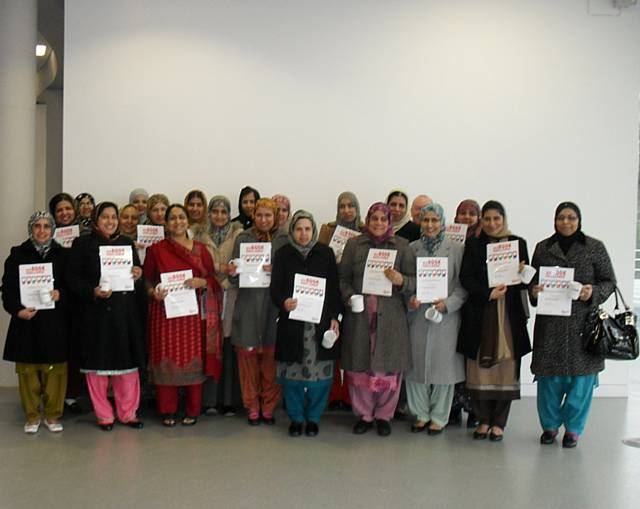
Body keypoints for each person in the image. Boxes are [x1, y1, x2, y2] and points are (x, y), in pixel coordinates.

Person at [530, 202, 616, 448]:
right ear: (554, 220)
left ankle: (574, 429)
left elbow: (610, 281)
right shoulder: (543, 248)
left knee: (582, 382)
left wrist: (594, 292)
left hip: (583, 325)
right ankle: (549, 426)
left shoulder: (594, 247)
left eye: (571, 217)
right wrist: (534, 291)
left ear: (579, 220)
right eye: (561, 218)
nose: (565, 222)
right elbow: (532, 282)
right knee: (549, 381)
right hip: (551, 325)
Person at [66, 202, 146, 431]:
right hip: (95, 316)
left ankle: (128, 413)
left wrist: (138, 273)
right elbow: (72, 278)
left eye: (114, 217)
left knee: (127, 368)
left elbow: (137, 273)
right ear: (95, 219)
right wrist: (92, 291)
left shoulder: (126, 244)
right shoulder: (82, 244)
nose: (110, 221)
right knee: (97, 368)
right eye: (105, 217)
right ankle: (103, 415)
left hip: (123, 315)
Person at [339, 202, 415, 436]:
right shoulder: (354, 245)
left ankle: (384, 415)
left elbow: (414, 282)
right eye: (374, 219)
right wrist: (350, 296)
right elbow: (342, 280)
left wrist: (401, 280)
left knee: (388, 367)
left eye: (383, 219)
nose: (379, 223)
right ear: (368, 220)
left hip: (391, 317)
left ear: (389, 221)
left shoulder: (402, 246)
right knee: (360, 366)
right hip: (360, 316)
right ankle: (364, 414)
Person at [457, 200, 531, 442]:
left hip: (508, 316)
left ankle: (499, 422)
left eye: (496, 219)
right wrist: (487, 293)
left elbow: (526, 282)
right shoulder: (473, 244)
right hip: (480, 312)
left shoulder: (517, 243)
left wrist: (521, 272)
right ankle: (483, 419)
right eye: (487, 219)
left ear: (504, 219)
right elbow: (466, 278)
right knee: (478, 369)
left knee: (506, 368)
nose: (492, 223)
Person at [144, 204, 223, 427]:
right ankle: (167, 410)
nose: (178, 222)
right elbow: (147, 280)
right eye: (172, 218)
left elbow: (213, 280)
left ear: (188, 222)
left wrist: (202, 282)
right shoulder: (156, 250)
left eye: (181, 217)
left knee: (192, 362)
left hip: (193, 316)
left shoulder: (200, 249)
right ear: (166, 224)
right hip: (165, 314)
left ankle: (192, 409)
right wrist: (153, 292)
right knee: (167, 360)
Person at [271, 210, 340, 437]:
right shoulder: (283, 254)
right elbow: (275, 289)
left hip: (318, 325)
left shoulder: (326, 253)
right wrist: (284, 301)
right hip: (292, 325)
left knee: (320, 376)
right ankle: (296, 418)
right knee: (293, 376)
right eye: (299, 229)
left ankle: (313, 418)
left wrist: (333, 317)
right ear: (292, 231)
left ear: (314, 230)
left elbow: (333, 289)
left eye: (307, 229)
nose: (303, 233)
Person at [2, 212, 69, 433]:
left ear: (53, 229)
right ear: (31, 229)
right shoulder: (17, 254)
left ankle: (52, 415)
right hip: (26, 322)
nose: (42, 231)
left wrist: (61, 294)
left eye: (46, 226)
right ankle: (32, 416)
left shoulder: (63, 255)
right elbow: (7, 290)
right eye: (37, 226)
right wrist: (17, 310)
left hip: (55, 322)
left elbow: (72, 287)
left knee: (55, 371)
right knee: (28, 371)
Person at [406, 203, 467, 434]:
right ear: (420, 222)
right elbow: (407, 283)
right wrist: (411, 299)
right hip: (418, 316)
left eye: (434, 220)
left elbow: (462, 288)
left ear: (442, 222)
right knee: (415, 366)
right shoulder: (412, 249)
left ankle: (439, 417)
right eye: (426, 220)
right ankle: (420, 413)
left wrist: (447, 304)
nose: (430, 225)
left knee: (444, 369)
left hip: (446, 318)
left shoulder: (457, 249)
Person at [229, 197, 287, 425]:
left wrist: (279, 270)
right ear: (253, 216)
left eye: (268, 215)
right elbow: (234, 279)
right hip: (248, 306)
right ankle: (251, 405)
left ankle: (269, 406)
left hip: (274, 308)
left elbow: (291, 276)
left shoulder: (284, 240)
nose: (263, 219)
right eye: (259, 215)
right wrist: (233, 272)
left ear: (276, 217)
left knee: (271, 361)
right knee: (247, 361)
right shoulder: (243, 238)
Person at [195, 195, 244, 416]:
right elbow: (197, 263)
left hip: (231, 294)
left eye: (224, 212)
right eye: (215, 211)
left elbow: (241, 263)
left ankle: (228, 401)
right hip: (207, 294)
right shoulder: (197, 234)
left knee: (228, 346)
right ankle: (209, 401)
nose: (219, 216)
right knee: (209, 345)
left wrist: (227, 278)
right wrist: (217, 269)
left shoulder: (239, 234)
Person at [317, 191, 364, 410]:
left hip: (355, 292)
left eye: (351, 206)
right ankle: (334, 393)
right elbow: (318, 257)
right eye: (342, 206)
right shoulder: (327, 230)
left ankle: (349, 394)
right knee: (331, 341)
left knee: (352, 342)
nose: (346, 210)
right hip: (330, 292)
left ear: (357, 208)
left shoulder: (365, 230)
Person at [448, 198, 482, 427]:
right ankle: (453, 407)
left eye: (472, 213)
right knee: (452, 357)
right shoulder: (446, 238)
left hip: (476, 307)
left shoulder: (484, 241)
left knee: (471, 358)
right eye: (463, 213)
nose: (467, 217)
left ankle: (473, 409)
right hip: (451, 305)